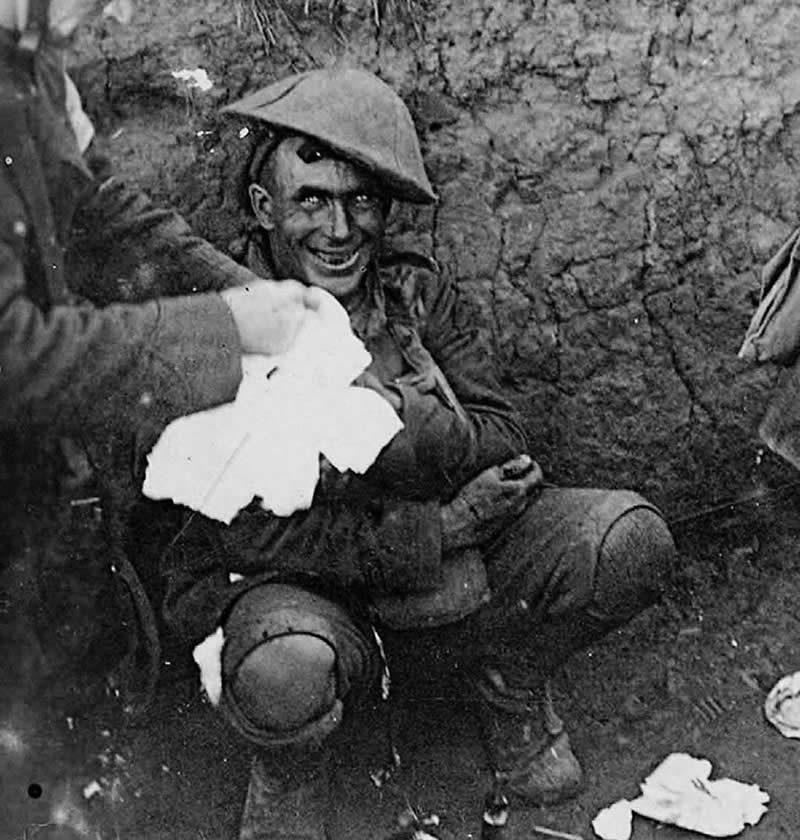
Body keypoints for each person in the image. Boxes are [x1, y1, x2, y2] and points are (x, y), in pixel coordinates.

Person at [161, 67, 677, 840]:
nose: (339, 231)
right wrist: (442, 526)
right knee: (283, 667)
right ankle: (291, 770)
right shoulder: (220, 328)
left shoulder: (412, 297)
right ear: (266, 210)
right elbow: (244, 533)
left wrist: (392, 410)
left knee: (625, 539)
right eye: (311, 200)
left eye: (360, 200)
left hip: (449, 590)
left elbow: (504, 437)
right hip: (307, 598)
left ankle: (507, 688)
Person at [0, 0, 318, 833]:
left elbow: (97, 210)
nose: (122, 10)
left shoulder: (29, 65)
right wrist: (223, 330)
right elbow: (11, 353)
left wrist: (237, 290)